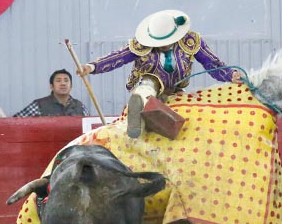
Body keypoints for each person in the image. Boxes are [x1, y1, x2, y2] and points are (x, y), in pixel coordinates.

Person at [78, 10, 242, 138]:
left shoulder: (190, 41)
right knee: (148, 84)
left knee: (192, 113)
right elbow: (117, 57)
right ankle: (138, 115)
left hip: (177, 92)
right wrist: (92, 67)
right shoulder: (140, 44)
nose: (161, 45)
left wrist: (230, 75)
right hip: (150, 89)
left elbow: (212, 62)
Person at [14, 69, 89, 117]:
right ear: (52, 86)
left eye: (66, 80)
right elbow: (15, 123)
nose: (63, 83)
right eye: (58, 81)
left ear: (71, 86)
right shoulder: (39, 105)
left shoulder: (79, 106)